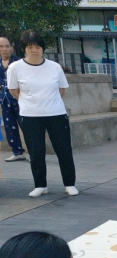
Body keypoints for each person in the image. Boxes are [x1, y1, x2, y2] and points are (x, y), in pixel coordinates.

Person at [6, 30, 78, 197]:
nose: (34, 50)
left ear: (43, 48)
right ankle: (40, 185)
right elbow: (14, 91)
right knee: (36, 152)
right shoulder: (15, 68)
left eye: (38, 47)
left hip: (56, 114)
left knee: (64, 150)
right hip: (30, 115)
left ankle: (69, 183)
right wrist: (31, 102)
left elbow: (61, 89)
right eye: (30, 47)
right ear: (24, 49)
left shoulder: (55, 67)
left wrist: (50, 103)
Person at [0, 35, 26, 162]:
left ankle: (35, 152)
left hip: (20, 99)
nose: (4, 49)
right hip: (4, 100)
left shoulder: (19, 62)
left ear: (11, 48)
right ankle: (17, 152)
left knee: (26, 126)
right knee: (10, 127)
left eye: (7, 46)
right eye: (1, 46)